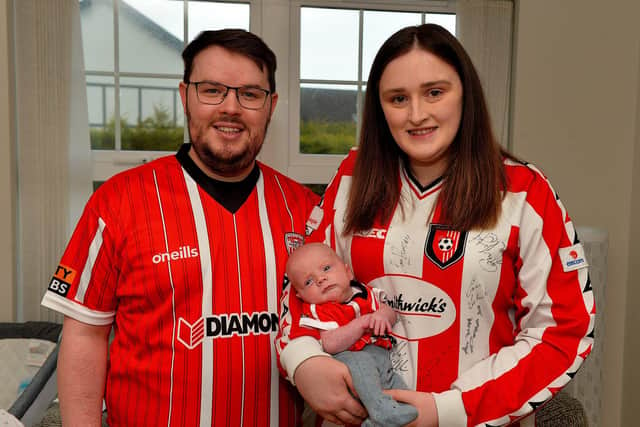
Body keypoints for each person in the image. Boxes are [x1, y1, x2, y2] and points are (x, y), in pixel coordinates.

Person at [276, 24, 595, 427]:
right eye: (397, 98)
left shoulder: (524, 191)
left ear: (466, 94)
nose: (417, 114)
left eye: (435, 92)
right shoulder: (353, 177)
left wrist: (449, 410)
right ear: (379, 108)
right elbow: (299, 284)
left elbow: (562, 331)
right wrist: (302, 360)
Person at [41, 29, 319, 427]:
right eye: (211, 90)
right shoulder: (119, 201)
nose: (231, 108)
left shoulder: (304, 210)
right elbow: (85, 336)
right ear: (184, 95)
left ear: (271, 106)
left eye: (250, 94)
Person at [286, 242, 418, 427]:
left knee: (397, 386)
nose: (321, 279)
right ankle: (379, 412)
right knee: (362, 367)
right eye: (308, 282)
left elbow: (390, 312)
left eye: (326, 268)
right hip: (347, 360)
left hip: (379, 357)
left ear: (348, 272)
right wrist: (360, 324)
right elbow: (330, 343)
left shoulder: (365, 293)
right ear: (300, 296)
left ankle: (384, 417)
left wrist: (381, 315)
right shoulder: (319, 310)